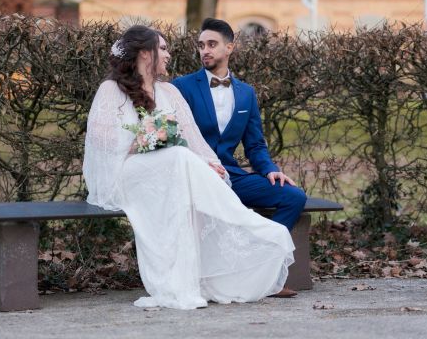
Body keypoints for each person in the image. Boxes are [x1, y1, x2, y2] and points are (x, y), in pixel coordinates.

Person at [83, 25, 295, 310]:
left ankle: (197, 276)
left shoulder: (169, 92)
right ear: (145, 54)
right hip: (129, 173)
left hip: (172, 174)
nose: (169, 55)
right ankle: (241, 227)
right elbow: (102, 140)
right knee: (179, 159)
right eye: (163, 49)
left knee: (183, 165)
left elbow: (192, 138)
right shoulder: (110, 90)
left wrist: (212, 165)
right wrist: (143, 137)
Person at [172, 18, 308, 234]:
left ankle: (265, 254)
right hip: (194, 177)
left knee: (294, 197)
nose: (204, 50)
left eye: (212, 44)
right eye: (201, 45)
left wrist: (270, 170)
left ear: (229, 48)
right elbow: (173, 137)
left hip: (231, 176)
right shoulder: (180, 86)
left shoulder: (246, 93)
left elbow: (255, 145)